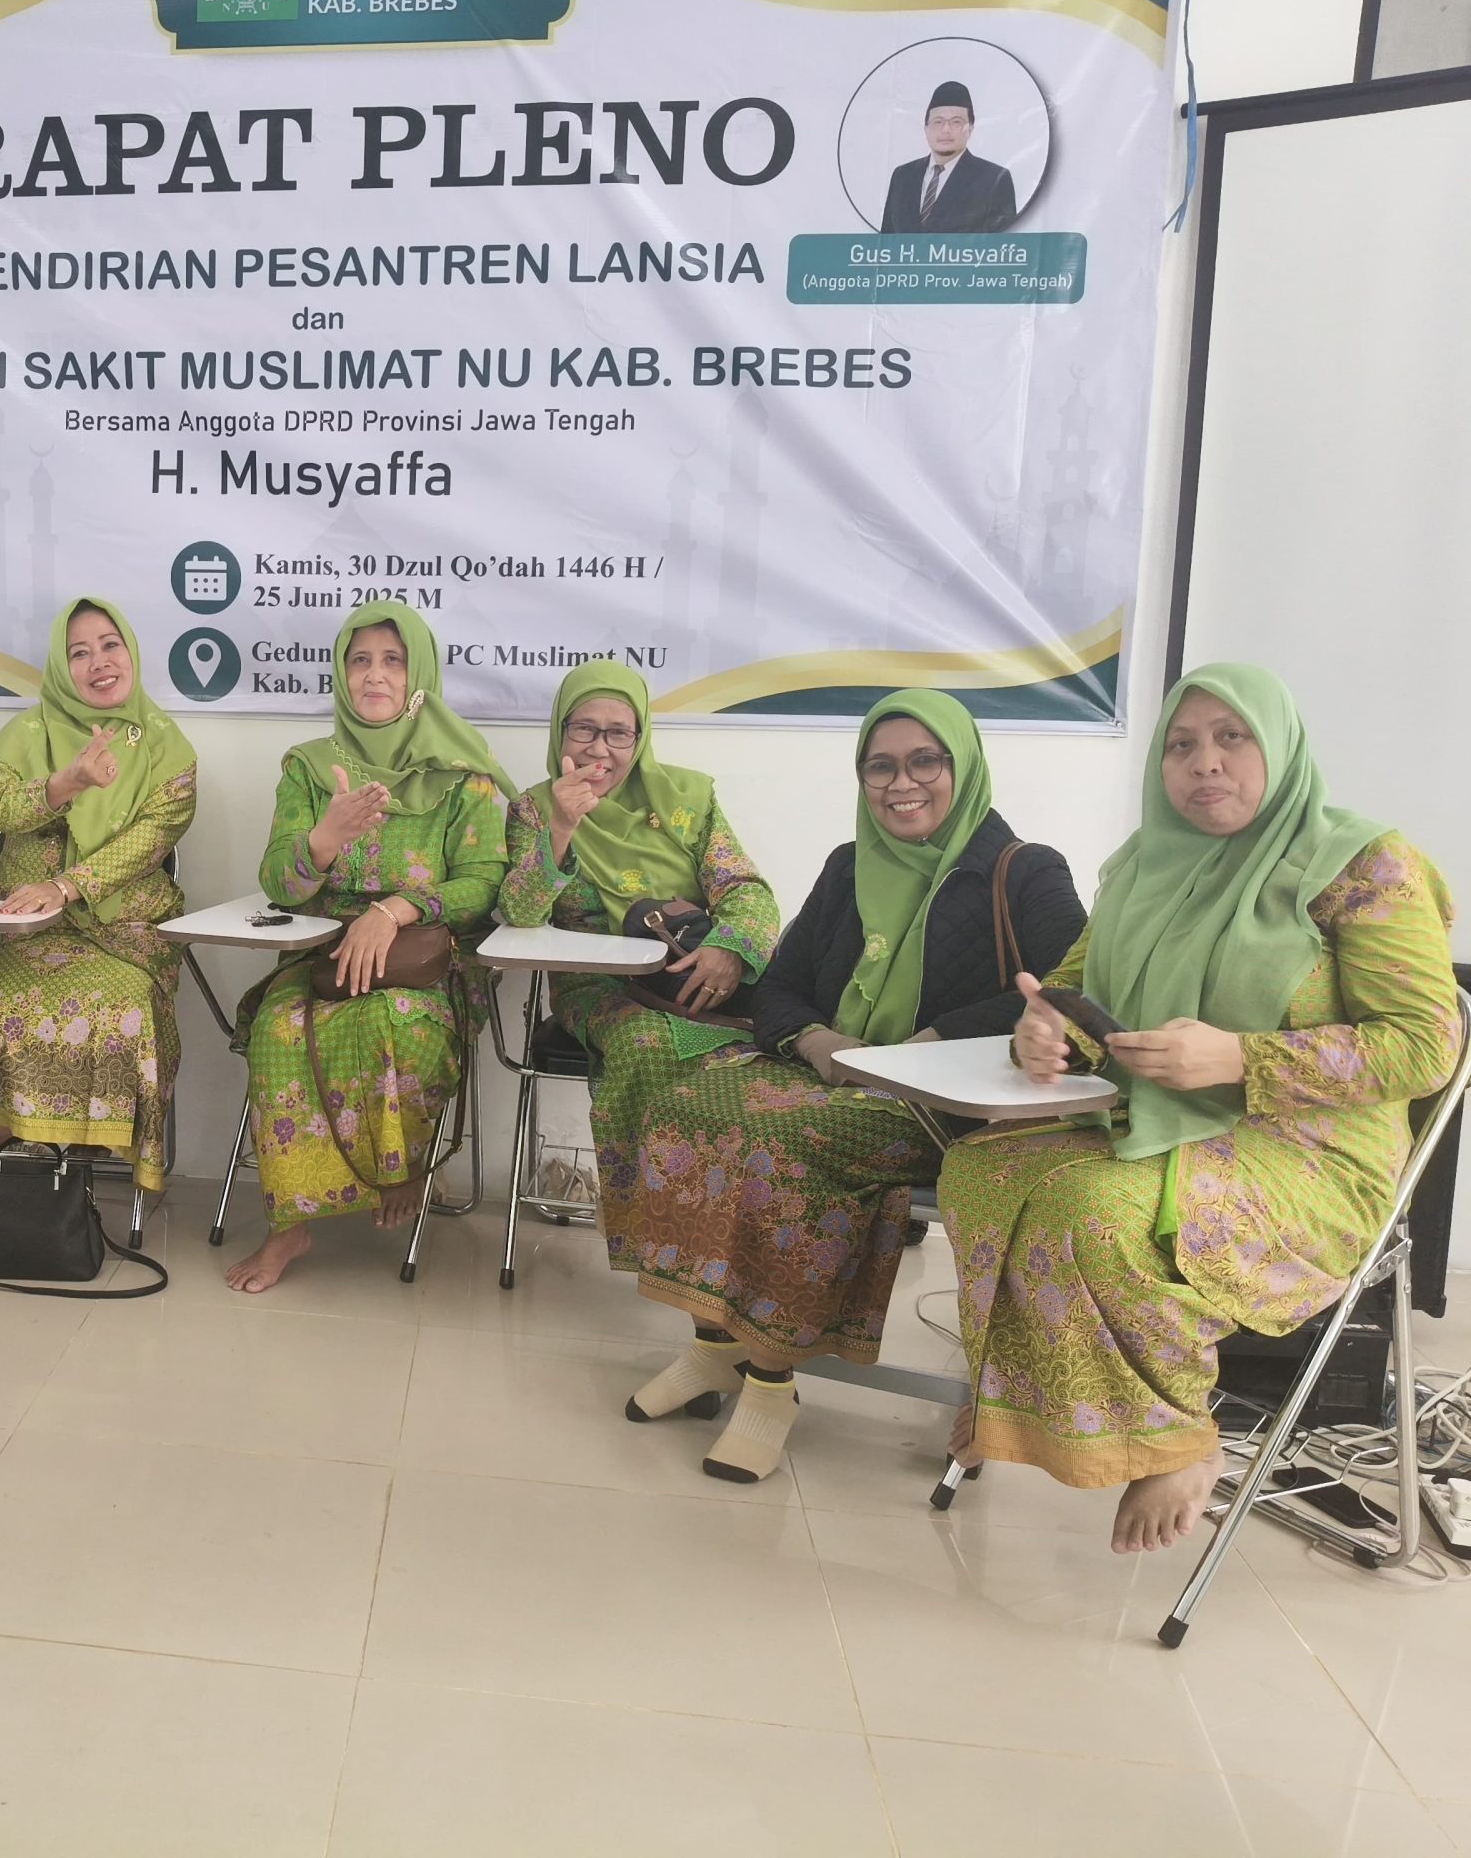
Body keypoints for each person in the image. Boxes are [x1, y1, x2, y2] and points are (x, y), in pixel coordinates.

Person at [943, 665, 1459, 1554]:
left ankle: (1178, 1436)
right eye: (1180, 745)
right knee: (979, 1169)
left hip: (1311, 1151)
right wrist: (1045, 1028)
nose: (1204, 762)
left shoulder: (1365, 865)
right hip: (1153, 1119)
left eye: (1232, 738)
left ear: (1280, 747)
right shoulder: (1147, 862)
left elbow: (1423, 1046)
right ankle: (1025, 1399)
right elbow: (1076, 987)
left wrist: (1241, 1059)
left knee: (1093, 1211)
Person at [619, 689, 1085, 1483]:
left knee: (784, 1145)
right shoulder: (848, 866)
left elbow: (1066, 992)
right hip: (834, 1076)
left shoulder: (1027, 872)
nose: (902, 784)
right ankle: (714, 1344)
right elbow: (781, 984)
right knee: (684, 1107)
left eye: (925, 762)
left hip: (941, 1104)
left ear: (963, 765)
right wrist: (819, 1041)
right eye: (881, 766)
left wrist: (932, 1041)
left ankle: (771, 1384)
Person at [226, 602, 508, 1293]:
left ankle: (400, 1170)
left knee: (399, 1026)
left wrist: (397, 908)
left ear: (420, 674)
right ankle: (289, 1225)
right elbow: (280, 884)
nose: (374, 675)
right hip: (326, 956)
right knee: (280, 1030)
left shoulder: (463, 771)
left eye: (392, 660)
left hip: (424, 959)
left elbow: (483, 882)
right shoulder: (310, 768)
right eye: (359, 661)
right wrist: (323, 840)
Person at [500, 660, 779, 1232]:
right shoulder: (533, 808)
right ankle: (656, 1227)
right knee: (646, 1045)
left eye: (619, 733)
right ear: (560, 732)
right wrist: (561, 827)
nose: (600, 748)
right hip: (598, 986)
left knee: (772, 1049)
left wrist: (729, 949)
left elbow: (745, 889)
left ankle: (737, 1220)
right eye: (584, 729)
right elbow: (522, 914)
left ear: (641, 737)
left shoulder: (688, 799)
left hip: (691, 974)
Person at [0, 599, 196, 1193]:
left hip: (126, 930)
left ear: (131, 652)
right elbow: (3, 811)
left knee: (124, 1006)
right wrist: (67, 781)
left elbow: (153, 839)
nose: (99, 662)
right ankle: (25, 1122)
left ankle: (59, 1132)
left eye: (110, 645)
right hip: (23, 928)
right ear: (61, 668)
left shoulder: (167, 748)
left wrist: (66, 886)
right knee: (6, 1001)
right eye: (79, 653)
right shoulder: (27, 734)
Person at [879, 79, 1019, 234]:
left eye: (956, 122)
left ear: (970, 129)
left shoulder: (994, 179)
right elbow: (886, 241)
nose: (946, 129)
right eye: (938, 122)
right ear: (926, 128)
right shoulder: (902, 176)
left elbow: (1003, 245)